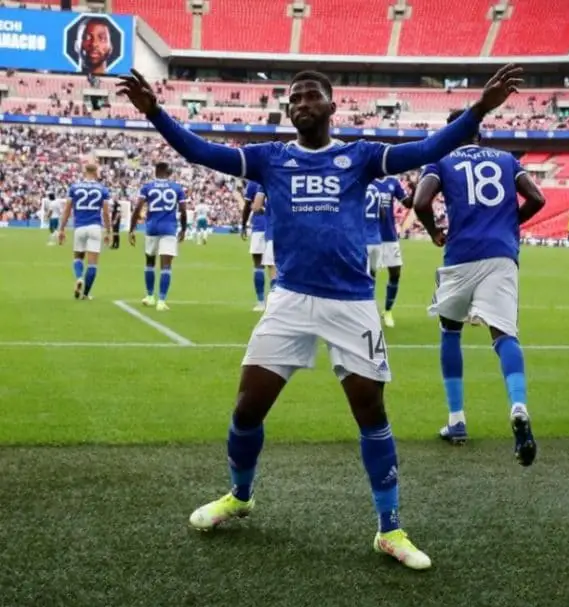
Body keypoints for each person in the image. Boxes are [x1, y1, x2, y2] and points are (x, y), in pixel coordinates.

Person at [118, 64, 523, 570]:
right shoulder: (269, 158)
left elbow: (425, 150)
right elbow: (203, 152)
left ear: (332, 107)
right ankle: (240, 495)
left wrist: (480, 110)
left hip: (351, 302)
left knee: (370, 414)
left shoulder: (361, 156)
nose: (301, 104)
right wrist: (155, 113)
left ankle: (390, 529)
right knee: (247, 408)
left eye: (311, 97)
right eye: (294, 99)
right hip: (289, 300)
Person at [413, 110, 545, 466]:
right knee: (505, 336)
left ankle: (456, 420)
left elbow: (420, 202)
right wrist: (508, 223)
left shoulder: (440, 159)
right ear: (480, 135)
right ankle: (518, 406)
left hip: (460, 255)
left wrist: (433, 231)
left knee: (450, 331)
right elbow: (537, 198)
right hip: (502, 255)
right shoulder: (506, 159)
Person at [130, 162, 187, 312]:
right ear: (167, 172)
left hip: (152, 228)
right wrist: (184, 229)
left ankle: (149, 296)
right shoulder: (176, 188)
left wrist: (132, 228)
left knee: (149, 262)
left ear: (156, 171)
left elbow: (138, 207)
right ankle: (161, 301)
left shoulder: (148, 187)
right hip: (169, 229)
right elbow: (183, 209)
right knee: (166, 266)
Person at [58, 163, 111, 300]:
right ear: (96, 172)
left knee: (78, 257)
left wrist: (62, 228)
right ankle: (86, 294)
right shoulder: (103, 190)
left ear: (84, 171)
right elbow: (106, 212)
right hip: (95, 227)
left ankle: (79, 277)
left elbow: (67, 209)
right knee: (93, 263)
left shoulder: (74, 187)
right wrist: (109, 231)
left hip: (80, 227)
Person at [376, 177, 413, 328]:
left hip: (389, 236)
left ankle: (388, 311)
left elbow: (407, 203)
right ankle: (367, 310)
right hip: (370, 236)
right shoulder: (367, 179)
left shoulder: (393, 181)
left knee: (395, 274)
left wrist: (417, 188)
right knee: (368, 276)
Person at [240, 181, 268, 311]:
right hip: (277, 227)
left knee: (258, 265)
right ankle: (277, 304)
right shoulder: (280, 174)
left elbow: (247, 207)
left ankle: (261, 301)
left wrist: (243, 225)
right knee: (278, 266)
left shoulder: (254, 183)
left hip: (260, 227)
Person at [364, 181, 383, 279]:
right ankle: (372, 294)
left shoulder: (360, 189)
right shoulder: (376, 190)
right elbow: (383, 214)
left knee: (363, 275)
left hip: (363, 240)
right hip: (376, 239)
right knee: (373, 274)